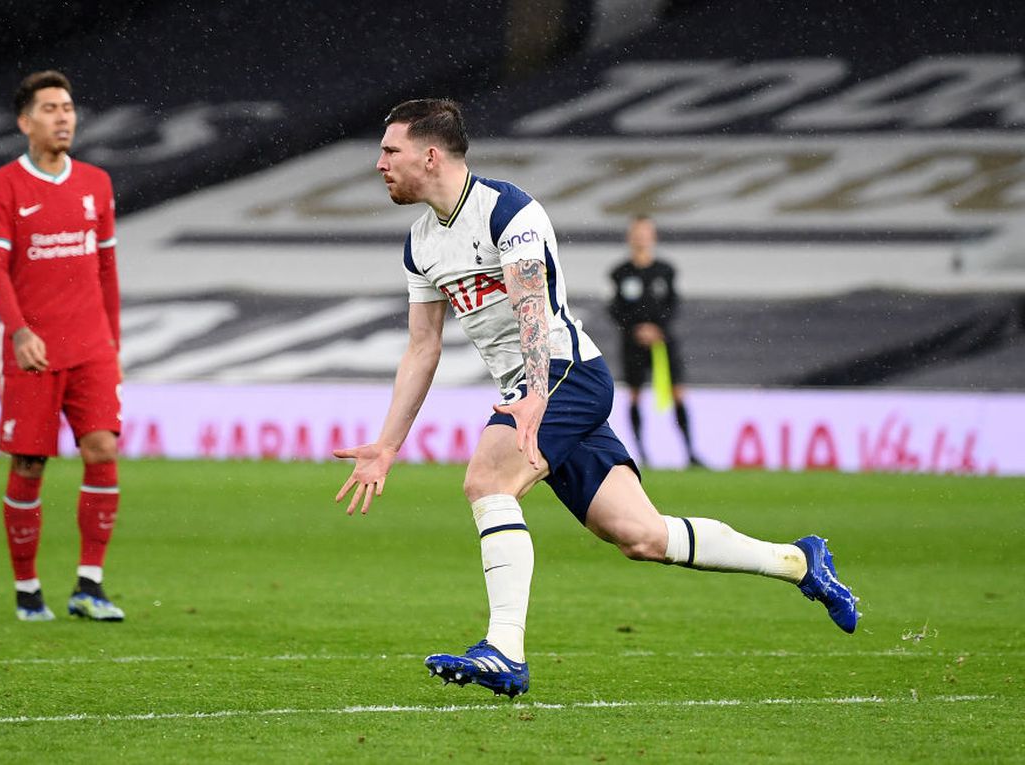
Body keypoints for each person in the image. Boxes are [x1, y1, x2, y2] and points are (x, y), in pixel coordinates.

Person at [334, 99, 858, 699]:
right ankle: (800, 562)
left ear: (430, 155)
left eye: (390, 150)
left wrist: (534, 393)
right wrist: (388, 445)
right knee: (642, 536)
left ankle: (504, 650)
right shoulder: (421, 243)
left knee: (487, 483)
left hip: (565, 374)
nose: (379, 164)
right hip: (532, 390)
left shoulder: (507, 211)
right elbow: (423, 348)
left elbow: (532, 309)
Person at [0, 70, 125, 622]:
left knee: (103, 450)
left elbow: (106, 267)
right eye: (50, 109)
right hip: (32, 350)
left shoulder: (96, 183)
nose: (63, 117)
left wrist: (113, 344)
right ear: (25, 122)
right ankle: (27, 588)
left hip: (91, 347)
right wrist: (19, 331)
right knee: (31, 463)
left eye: (68, 107)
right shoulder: (1, 187)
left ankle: (90, 585)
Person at [607, 216, 703, 467]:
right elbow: (615, 308)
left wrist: (656, 328)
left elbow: (673, 304)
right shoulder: (620, 273)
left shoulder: (665, 271)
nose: (641, 237)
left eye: (645, 233)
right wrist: (636, 328)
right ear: (630, 237)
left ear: (653, 237)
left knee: (677, 392)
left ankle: (690, 453)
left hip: (663, 341)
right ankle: (642, 454)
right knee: (635, 394)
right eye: (637, 233)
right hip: (633, 343)